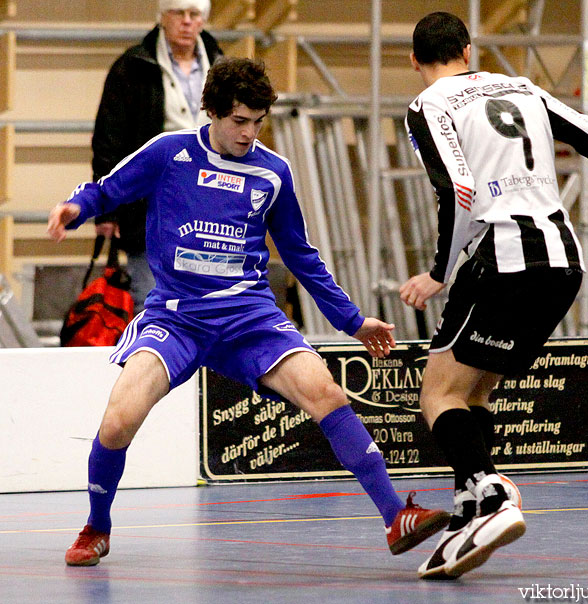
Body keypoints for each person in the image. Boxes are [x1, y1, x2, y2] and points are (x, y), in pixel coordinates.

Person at [48, 56, 450, 567]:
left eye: (258, 122)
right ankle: (96, 527)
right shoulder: (169, 153)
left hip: (249, 318)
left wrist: (353, 320)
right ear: (212, 111)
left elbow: (301, 255)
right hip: (177, 317)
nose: (249, 133)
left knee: (325, 391)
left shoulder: (272, 173)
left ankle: (396, 517)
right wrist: (75, 209)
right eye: (239, 120)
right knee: (117, 422)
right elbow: (109, 189)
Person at [399, 11, 588, 580]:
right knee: (475, 390)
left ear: (415, 61)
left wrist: (438, 271)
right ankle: (470, 504)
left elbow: (459, 191)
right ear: (467, 48)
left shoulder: (429, 106)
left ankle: (490, 492)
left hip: (504, 257)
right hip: (563, 263)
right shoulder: (525, 89)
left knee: (438, 393)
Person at [92, 0, 223, 313]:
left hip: (214, 204)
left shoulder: (221, 67)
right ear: (162, 17)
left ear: (203, 20)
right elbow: (109, 140)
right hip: (150, 206)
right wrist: (106, 208)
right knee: (154, 303)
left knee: (208, 306)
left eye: (195, 15)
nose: (187, 22)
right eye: (179, 13)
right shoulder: (132, 66)